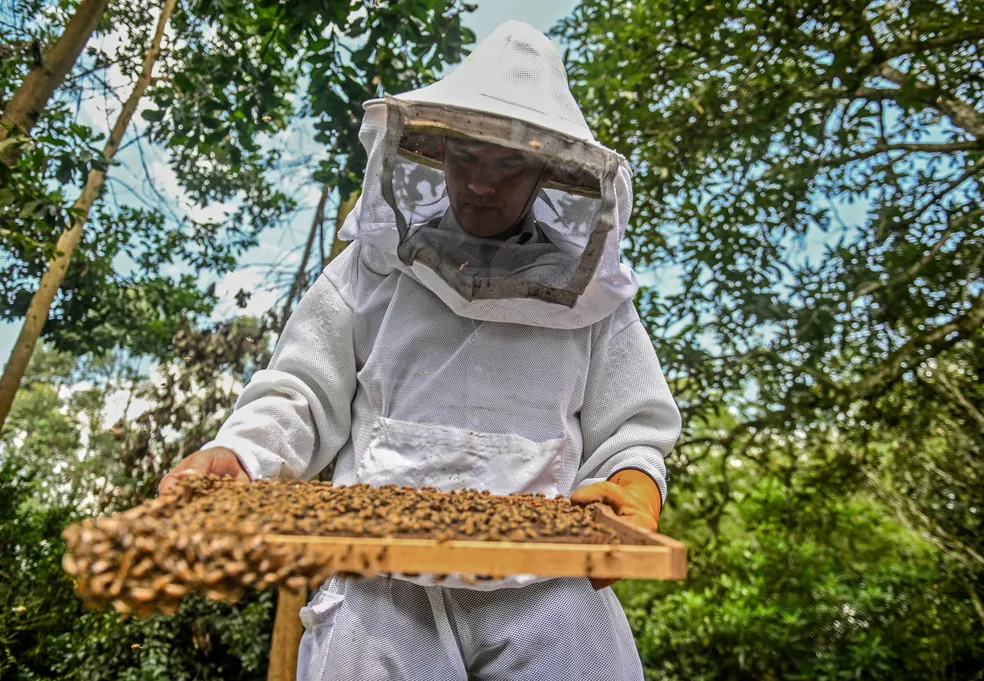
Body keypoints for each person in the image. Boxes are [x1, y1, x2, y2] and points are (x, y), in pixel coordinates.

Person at [159, 20, 681, 681]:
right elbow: (298, 391)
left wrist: (631, 487)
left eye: (509, 163)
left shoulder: (593, 299)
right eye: (466, 156)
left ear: (547, 169)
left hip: (549, 589)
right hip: (380, 588)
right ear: (434, 150)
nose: (483, 185)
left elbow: (632, 428)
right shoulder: (368, 268)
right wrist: (241, 454)